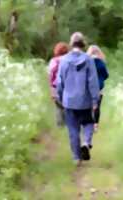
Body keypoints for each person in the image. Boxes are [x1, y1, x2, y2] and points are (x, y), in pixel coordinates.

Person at [56, 32, 100, 166]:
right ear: (83, 44)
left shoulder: (64, 60)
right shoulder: (88, 60)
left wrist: (60, 96)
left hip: (69, 101)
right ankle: (86, 142)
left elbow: (59, 81)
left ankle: (76, 158)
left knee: (73, 129)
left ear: (71, 44)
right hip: (85, 100)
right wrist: (95, 100)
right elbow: (93, 82)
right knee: (88, 123)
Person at [87, 45, 109, 132]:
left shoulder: (87, 62)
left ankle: (88, 124)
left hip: (88, 87)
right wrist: (101, 79)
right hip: (99, 87)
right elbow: (106, 75)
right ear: (98, 52)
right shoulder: (101, 62)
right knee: (97, 106)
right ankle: (95, 125)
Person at [48, 42, 69, 126]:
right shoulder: (69, 59)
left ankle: (60, 126)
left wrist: (51, 90)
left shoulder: (53, 61)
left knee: (59, 107)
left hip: (56, 86)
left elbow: (51, 76)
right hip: (69, 86)